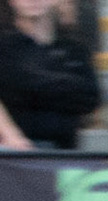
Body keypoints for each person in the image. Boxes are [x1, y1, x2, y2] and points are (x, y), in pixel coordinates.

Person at [0, 0, 101, 150]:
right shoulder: (5, 46)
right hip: (15, 154)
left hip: (63, 153)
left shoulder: (72, 47)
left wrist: (31, 86)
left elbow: (90, 97)